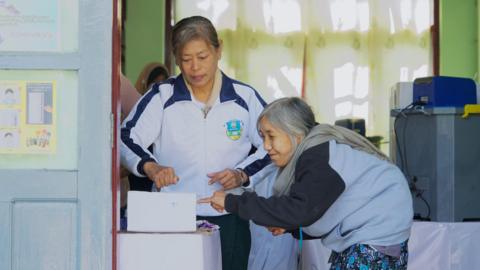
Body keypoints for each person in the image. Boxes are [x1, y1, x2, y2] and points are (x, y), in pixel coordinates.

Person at [120, 15, 270, 270]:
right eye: (186, 60)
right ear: (176, 59)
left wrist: (242, 174)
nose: (195, 68)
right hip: (173, 217)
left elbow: (273, 147)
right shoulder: (162, 97)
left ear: (218, 49)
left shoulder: (244, 98)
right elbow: (126, 138)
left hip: (229, 214)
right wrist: (151, 167)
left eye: (202, 57)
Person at [200, 97, 413, 269]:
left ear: (296, 134)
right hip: (378, 234)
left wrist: (232, 202)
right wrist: (289, 227)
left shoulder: (318, 157)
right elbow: (316, 207)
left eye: (271, 136)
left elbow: (300, 209)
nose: (266, 146)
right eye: (263, 137)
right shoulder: (317, 151)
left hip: (376, 234)